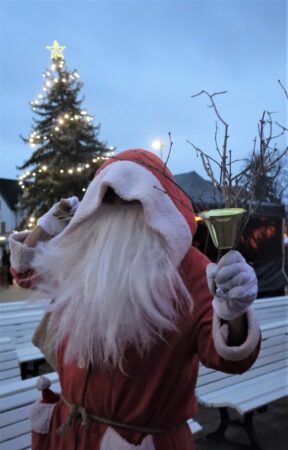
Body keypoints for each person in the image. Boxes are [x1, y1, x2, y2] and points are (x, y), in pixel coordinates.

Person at [9, 149, 261, 450]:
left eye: (132, 200)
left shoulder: (191, 271)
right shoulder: (83, 256)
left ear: (158, 207)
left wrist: (233, 311)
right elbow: (26, 274)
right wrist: (46, 227)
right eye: (108, 197)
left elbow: (229, 357)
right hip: (68, 434)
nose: (117, 207)